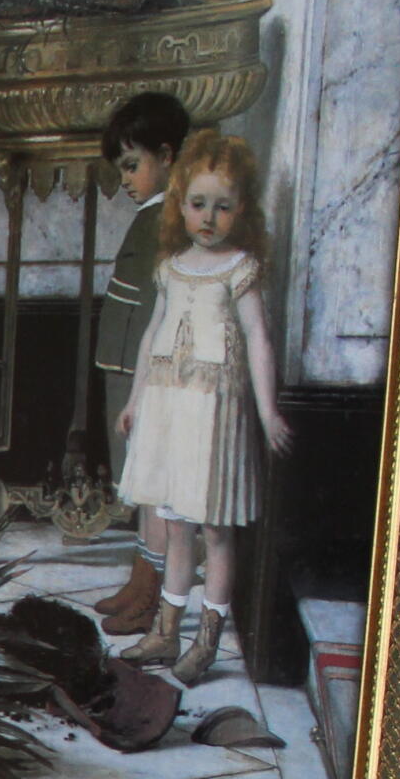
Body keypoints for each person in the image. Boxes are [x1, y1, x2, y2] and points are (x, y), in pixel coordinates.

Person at [117, 128, 293, 688]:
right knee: (175, 523)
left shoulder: (240, 268)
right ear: (181, 205)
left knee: (215, 529)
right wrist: (135, 399)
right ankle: (166, 633)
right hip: (169, 409)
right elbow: (151, 335)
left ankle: (205, 642)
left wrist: (267, 413)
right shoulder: (171, 266)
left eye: (223, 206)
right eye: (198, 205)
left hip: (215, 414)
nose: (209, 218)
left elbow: (259, 339)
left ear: (241, 209)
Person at [92, 92, 190, 637]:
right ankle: (138, 580)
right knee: (136, 480)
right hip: (123, 368)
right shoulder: (149, 216)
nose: (126, 179)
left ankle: (149, 594)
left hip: (143, 375)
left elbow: (162, 307)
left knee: (150, 484)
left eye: (133, 165)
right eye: (121, 168)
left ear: (167, 156)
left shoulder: (169, 222)